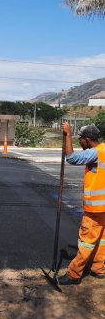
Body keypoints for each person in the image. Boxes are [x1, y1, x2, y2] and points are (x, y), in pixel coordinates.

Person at [58, 122, 105, 285]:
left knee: (87, 241)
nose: (80, 143)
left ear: (87, 139)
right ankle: (98, 268)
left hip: (96, 207)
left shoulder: (96, 153)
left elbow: (71, 158)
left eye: (80, 140)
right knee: (101, 238)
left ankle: (74, 274)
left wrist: (68, 135)